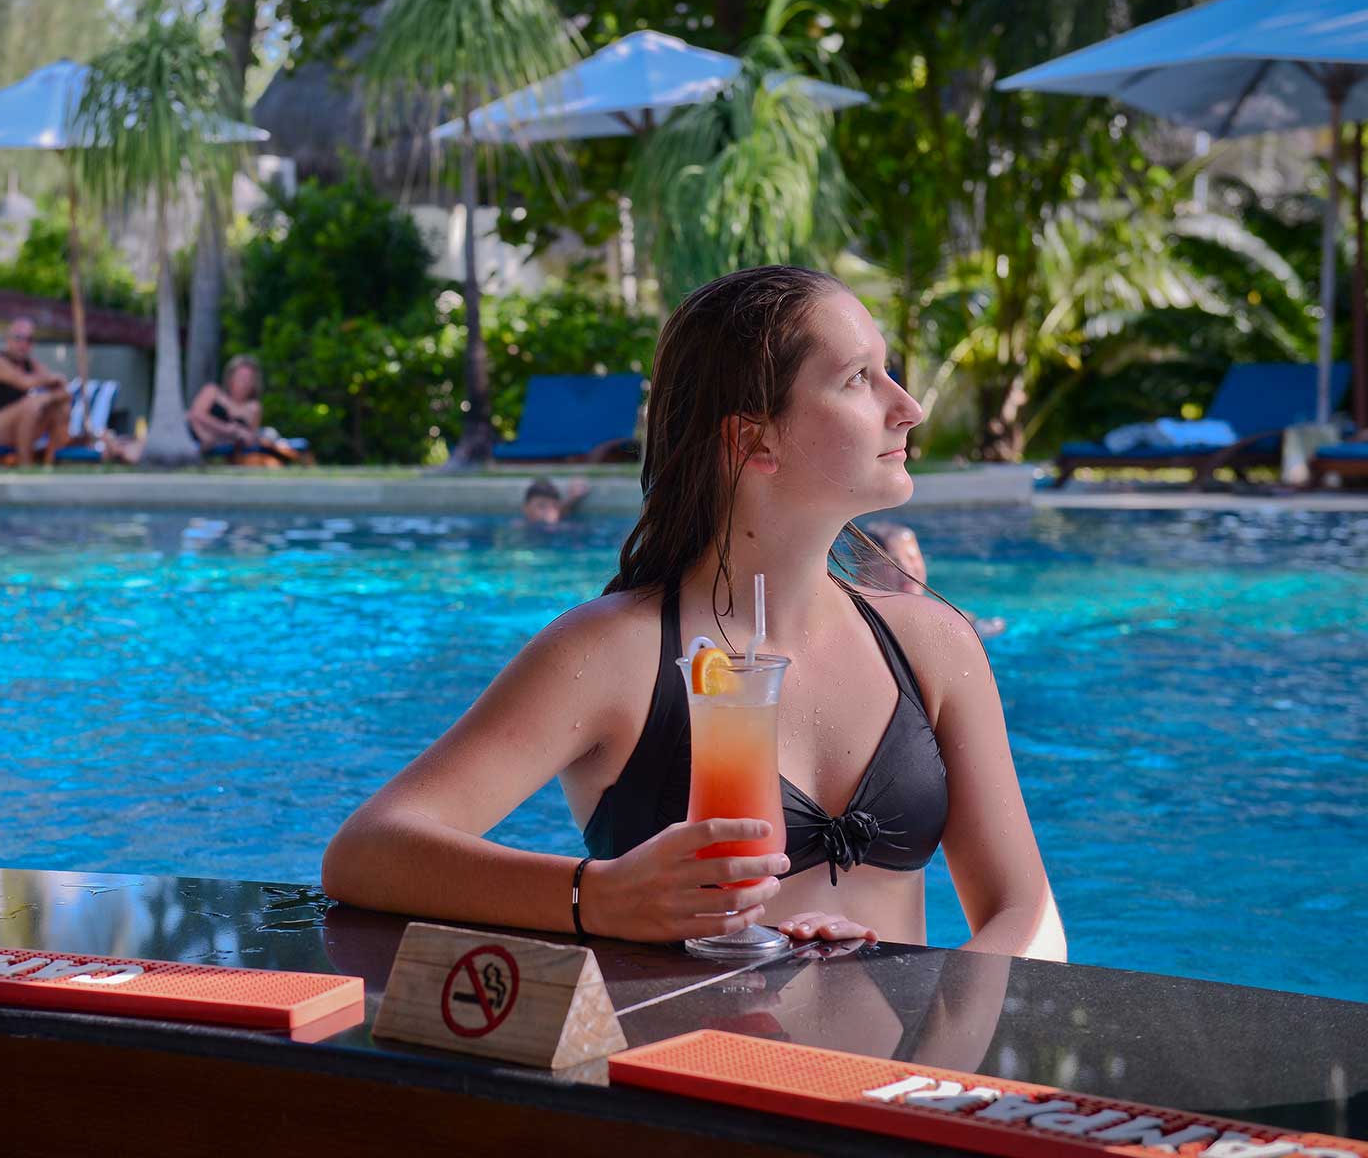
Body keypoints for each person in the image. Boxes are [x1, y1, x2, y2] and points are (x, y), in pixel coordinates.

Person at [323, 265, 1065, 958]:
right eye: (858, 379)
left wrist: (926, 1029)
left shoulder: (933, 645)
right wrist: (595, 897)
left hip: (900, 1054)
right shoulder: (615, 653)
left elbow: (1025, 916)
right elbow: (369, 851)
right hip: (692, 1054)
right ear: (753, 439)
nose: (907, 407)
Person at [858, 521, 1007, 640]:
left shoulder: (949, 617)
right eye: (894, 563)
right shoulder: (864, 625)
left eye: (912, 558)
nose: (907, 570)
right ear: (864, 574)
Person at [0, 318, 70, 466]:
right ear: (8, 340)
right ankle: (25, 466)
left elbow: (62, 388)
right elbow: (25, 382)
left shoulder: (30, 364)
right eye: (18, 338)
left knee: (58, 408)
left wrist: (53, 395)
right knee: (31, 405)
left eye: (29, 339)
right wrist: (51, 392)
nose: (23, 344)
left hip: (11, 428)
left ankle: (50, 465)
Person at [188, 355, 264, 453]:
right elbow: (195, 414)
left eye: (250, 378)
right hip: (193, 439)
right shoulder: (212, 391)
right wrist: (227, 429)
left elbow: (251, 438)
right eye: (241, 377)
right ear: (231, 377)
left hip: (224, 450)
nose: (245, 382)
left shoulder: (254, 407)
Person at [522, 477, 591, 525]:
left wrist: (575, 496)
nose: (549, 511)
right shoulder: (522, 527)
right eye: (542, 506)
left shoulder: (562, 519)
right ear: (526, 509)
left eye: (554, 506)